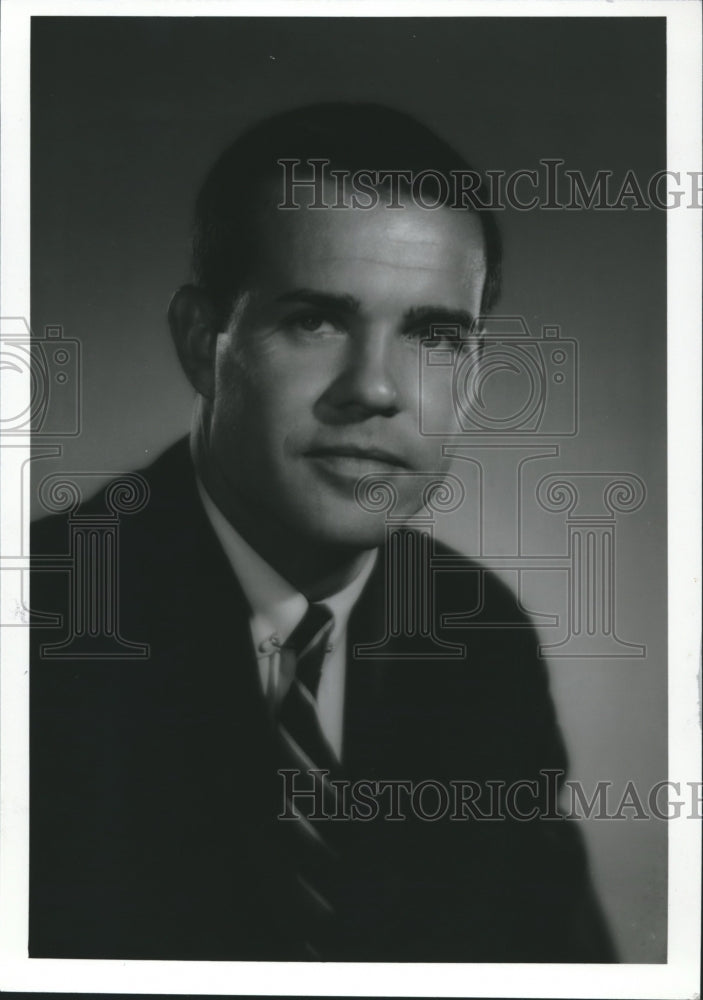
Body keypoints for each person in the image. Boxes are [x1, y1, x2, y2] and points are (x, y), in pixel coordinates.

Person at [29, 103, 615, 962]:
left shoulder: (479, 635)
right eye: (316, 321)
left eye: (433, 335)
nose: (373, 390)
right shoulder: (34, 620)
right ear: (203, 340)